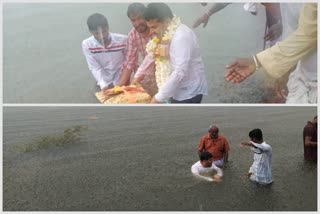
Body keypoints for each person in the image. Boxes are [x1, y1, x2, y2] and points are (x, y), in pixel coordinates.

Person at [225, 3, 317, 104]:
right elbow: (297, 23)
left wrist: (257, 61)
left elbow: (310, 32)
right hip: (302, 73)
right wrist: (280, 25)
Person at [133, 3, 208, 104]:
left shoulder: (181, 36)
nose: (151, 32)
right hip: (173, 90)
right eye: (149, 27)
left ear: (167, 22)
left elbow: (179, 71)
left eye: (154, 27)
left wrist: (157, 99)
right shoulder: (162, 34)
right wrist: (136, 78)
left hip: (188, 92)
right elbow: (151, 56)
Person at [82, 13, 127, 91]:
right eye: (97, 33)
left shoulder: (123, 40)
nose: (101, 36)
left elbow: (129, 63)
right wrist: (103, 84)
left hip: (122, 78)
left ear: (108, 27)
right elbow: (94, 67)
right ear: (91, 32)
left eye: (104, 32)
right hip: (103, 80)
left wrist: (122, 82)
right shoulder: (87, 45)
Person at [117, 3, 151, 86]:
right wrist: (119, 86)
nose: (137, 23)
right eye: (133, 20)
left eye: (140, 18)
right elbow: (129, 62)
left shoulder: (156, 28)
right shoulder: (132, 35)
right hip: (146, 73)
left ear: (146, 16)